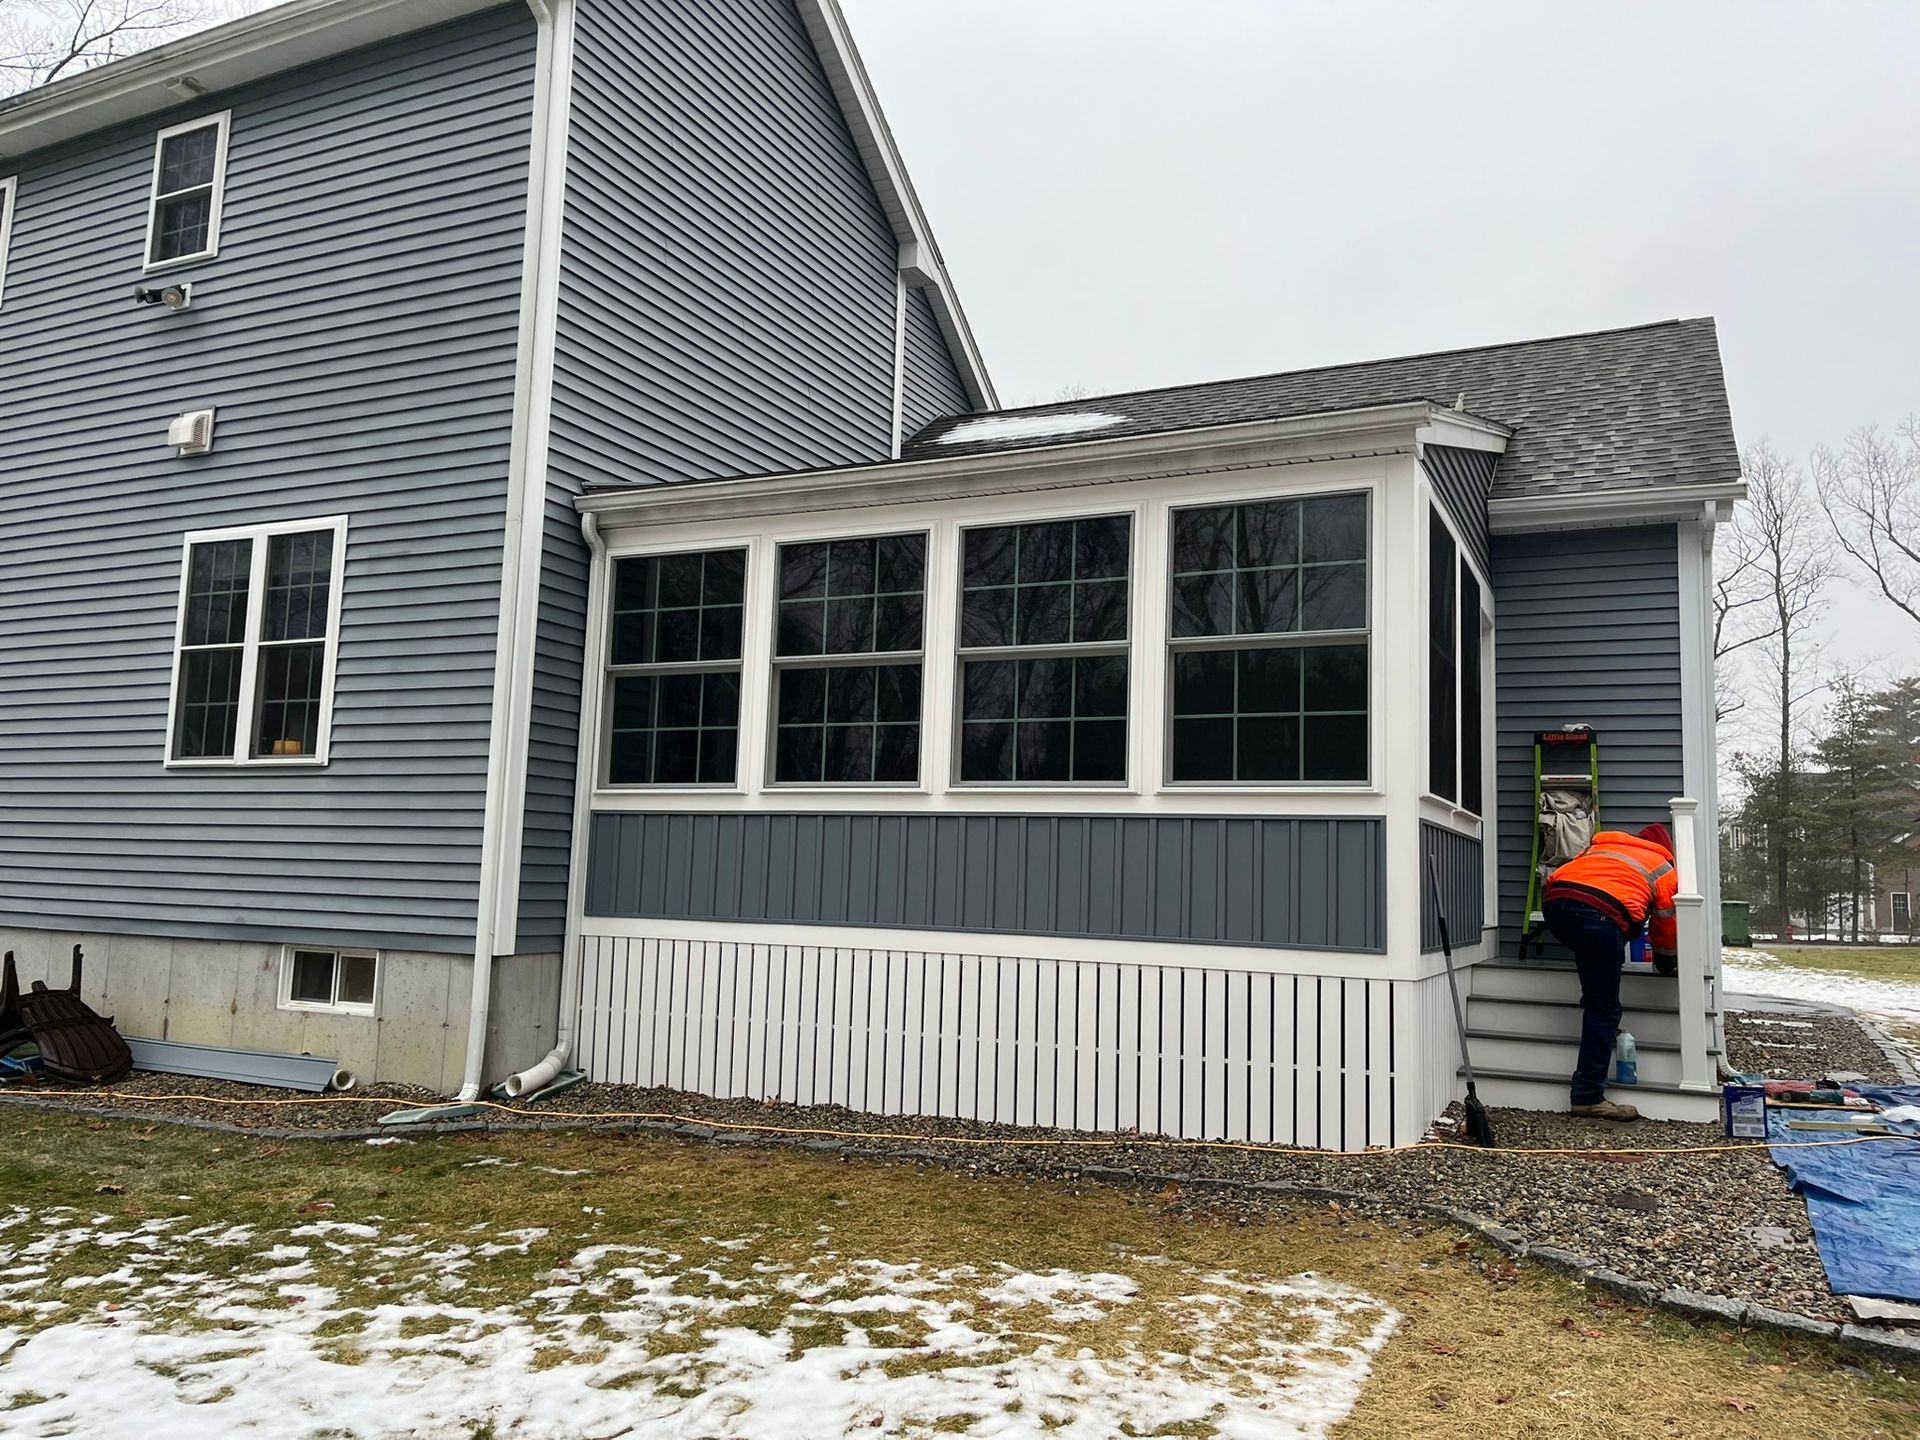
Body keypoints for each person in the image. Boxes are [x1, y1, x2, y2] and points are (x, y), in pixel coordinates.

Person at [1541, 822, 1680, 1122]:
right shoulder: (1663, 866)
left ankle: (1594, 1001)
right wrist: (1667, 963)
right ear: (1667, 849)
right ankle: (1587, 1096)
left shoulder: (1603, 847)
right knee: (1605, 1009)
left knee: (1594, 961)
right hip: (1598, 915)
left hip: (1556, 904)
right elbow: (1665, 925)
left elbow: (1573, 881)